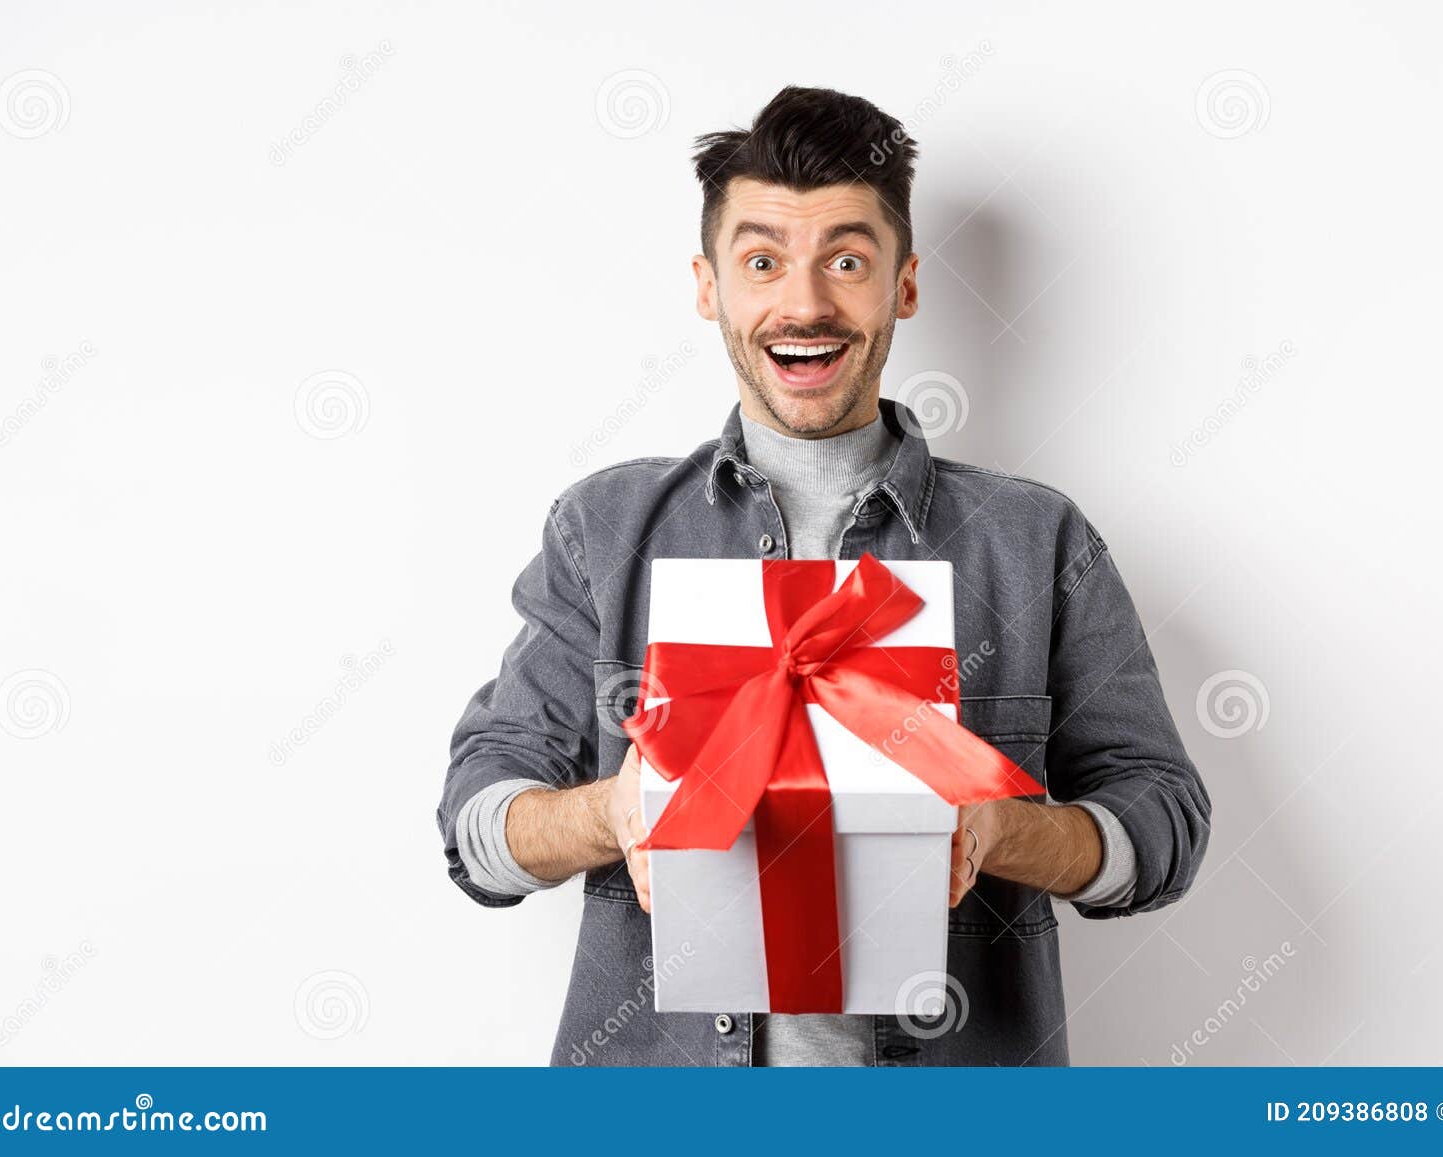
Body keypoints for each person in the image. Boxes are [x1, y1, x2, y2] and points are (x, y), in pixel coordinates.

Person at [437, 85, 1210, 1066]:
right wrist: (609, 810)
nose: (803, 303)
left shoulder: (1033, 539)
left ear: (905, 283)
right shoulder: (604, 529)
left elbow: (1165, 829)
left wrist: (995, 831)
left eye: (846, 260)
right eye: (762, 261)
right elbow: (476, 831)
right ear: (709, 284)